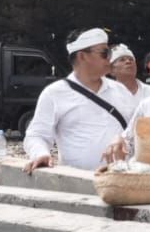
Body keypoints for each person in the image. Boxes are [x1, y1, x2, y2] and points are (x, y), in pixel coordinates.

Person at [23, 29, 138, 172]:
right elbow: (37, 135)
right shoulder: (54, 93)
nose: (110, 57)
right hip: (78, 182)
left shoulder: (120, 90)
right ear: (82, 56)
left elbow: (137, 129)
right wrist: (41, 154)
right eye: (104, 53)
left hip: (121, 180)